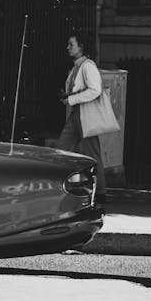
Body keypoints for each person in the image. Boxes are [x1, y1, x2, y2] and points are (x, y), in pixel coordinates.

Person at [56, 31, 107, 208]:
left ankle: (100, 195)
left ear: (81, 47)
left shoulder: (87, 66)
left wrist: (71, 99)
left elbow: (95, 90)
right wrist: (68, 96)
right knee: (62, 150)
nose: (68, 47)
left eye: (71, 44)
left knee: (90, 155)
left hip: (86, 114)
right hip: (78, 114)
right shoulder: (78, 66)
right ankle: (65, 189)